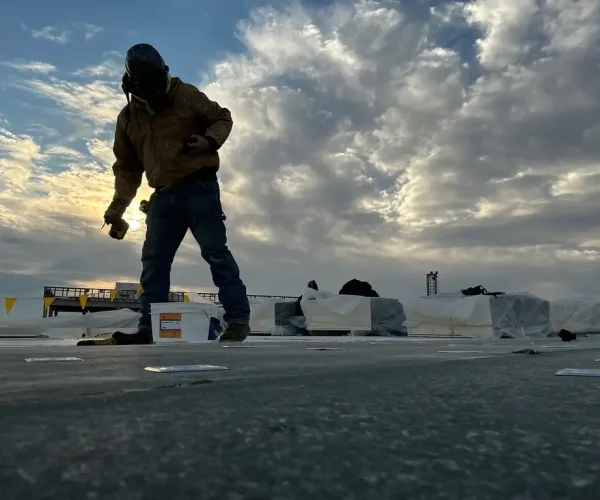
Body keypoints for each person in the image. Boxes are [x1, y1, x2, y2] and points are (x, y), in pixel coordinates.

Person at [102, 43, 250, 344]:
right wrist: (117, 209)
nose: (158, 92)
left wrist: (209, 141)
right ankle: (148, 328)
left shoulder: (186, 94)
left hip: (200, 186)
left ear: (164, 73)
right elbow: (127, 167)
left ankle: (237, 320)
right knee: (154, 263)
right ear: (133, 84)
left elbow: (222, 117)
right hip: (163, 196)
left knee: (216, 253)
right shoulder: (128, 118)